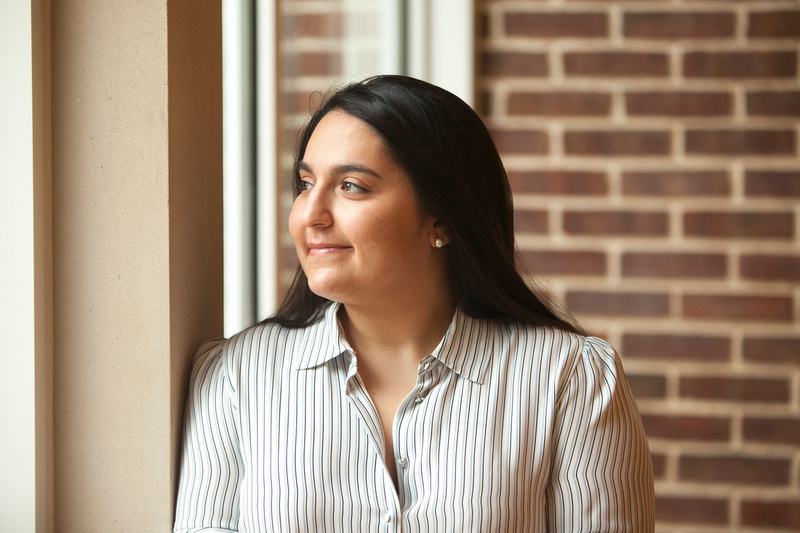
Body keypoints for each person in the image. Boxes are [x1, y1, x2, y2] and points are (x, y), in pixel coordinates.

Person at [173, 75, 654, 532]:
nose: (310, 215)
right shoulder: (235, 375)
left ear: (442, 219)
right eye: (305, 184)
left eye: (351, 187)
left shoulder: (571, 380)